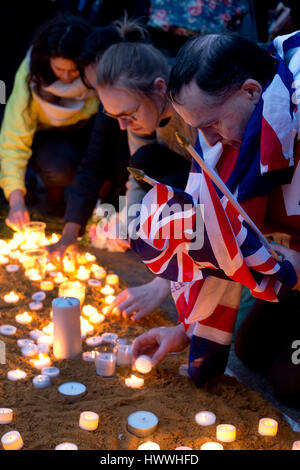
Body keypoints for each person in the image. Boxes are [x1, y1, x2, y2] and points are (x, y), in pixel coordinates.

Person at [131, 31, 300, 406]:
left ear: (252, 92)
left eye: (212, 123)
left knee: (290, 385)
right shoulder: (229, 143)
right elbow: (221, 240)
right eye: (198, 128)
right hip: (292, 274)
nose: (210, 140)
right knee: (250, 349)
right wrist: (187, 330)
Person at [85, 29, 197, 320]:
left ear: (160, 87)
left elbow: (215, 193)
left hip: (222, 191)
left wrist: (164, 282)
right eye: (114, 117)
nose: (122, 126)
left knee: (171, 187)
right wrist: (131, 221)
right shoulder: (143, 119)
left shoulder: (197, 113)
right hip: (188, 176)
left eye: (128, 114)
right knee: (146, 158)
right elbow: (139, 171)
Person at [0, 13, 99, 229]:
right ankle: (55, 196)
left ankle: (101, 209)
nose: (66, 77)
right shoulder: (31, 77)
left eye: (73, 70)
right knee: (59, 165)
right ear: (46, 61)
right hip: (47, 141)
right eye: (59, 69)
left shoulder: (97, 75)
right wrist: (16, 201)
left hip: (88, 133)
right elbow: (13, 140)